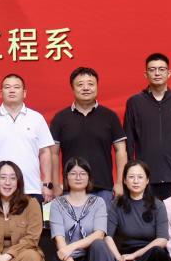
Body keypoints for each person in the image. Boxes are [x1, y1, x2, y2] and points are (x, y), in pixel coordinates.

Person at [50, 158, 119, 261]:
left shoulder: (98, 202)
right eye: (73, 173)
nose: (78, 177)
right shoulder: (56, 204)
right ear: (66, 177)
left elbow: (99, 234)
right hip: (67, 259)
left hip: (93, 258)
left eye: (82, 173)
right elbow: (59, 239)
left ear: (89, 177)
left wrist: (73, 246)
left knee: (99, 244)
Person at [123, 54, 171, 200]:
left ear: (169, 73)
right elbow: (128, 140)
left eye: (161, 69)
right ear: (146, 74)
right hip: (144, 177)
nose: (157, 73)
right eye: (152, 69)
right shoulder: (135, 102)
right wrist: (130, 171)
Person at [105, 160, 171, 261]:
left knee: (159, 252)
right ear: (124, 180)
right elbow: (107, 236)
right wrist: (119, 258)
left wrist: (135, 255)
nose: (136, 181)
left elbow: (162, 240)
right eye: (131, 177)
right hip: (128, 260)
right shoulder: (116, 205)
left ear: (147, 180)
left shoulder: (157, 205)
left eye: (140, 177)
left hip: (150, 255)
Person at [0, 74, 55, 203]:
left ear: (24, 93)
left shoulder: (37, 118)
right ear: (1, 93)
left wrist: (47, 184)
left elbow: (45, 152)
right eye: (7, 87)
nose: (12, 90)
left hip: (31, 188)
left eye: (16, 87)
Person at [51, 67, 127, 198]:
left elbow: (121, 150)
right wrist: (55, 184)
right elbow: (53, 153)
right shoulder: (60, 118)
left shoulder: (110, 116)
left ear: (97, 87)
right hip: (70, 190)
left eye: (90, 84)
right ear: (72, 88)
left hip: (104, 189)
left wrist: (120, 182)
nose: (86, 88)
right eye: (80, 84)